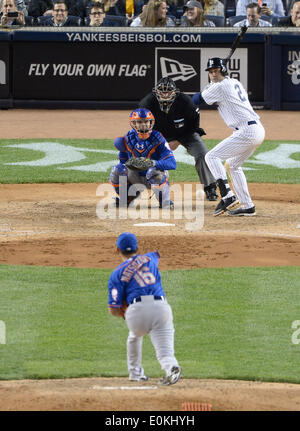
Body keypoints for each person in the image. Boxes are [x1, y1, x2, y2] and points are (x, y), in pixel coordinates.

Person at [192, 58, 265, 216]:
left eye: (216, 71)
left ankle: (227, 195)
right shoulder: (234, 82)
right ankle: (247, 206)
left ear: (223, 70)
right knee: (233, 165)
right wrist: (211, 86)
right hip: (255, 129)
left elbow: (196, 100)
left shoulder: (219, 87)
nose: (213, 74)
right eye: (211, 72)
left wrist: (208, 87)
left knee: (211, 156)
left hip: (246, 131)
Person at [107, 232, 182, 385]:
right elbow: (156, 255)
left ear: (117, 250)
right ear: (138, 248)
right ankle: (171, 367)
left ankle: (135, 373)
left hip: (136, 311)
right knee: (165, 352)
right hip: (161, 308)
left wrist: (125, 314)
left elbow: (113, 309)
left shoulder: (116, 274)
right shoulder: (150, 258)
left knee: (134, 336)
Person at [139, 77, 218, 201]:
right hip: (158, 136)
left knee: (203, 153)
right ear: (156, 92)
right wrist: (159, 143)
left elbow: (194, 125)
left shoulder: (185, 101)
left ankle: (210, 187)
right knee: (143, 154)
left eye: (168, 91)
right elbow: (142, 127)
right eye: (162, 91)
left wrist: (178, 140)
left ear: (175, 92)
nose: (165, 94)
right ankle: (152, 186)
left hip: (186, 133)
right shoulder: (146, 104)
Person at [109, 108, 176, 209]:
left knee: (153, 172)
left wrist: (152, 163)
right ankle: (127, 199)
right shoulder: (127, 139)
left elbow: (172, 164)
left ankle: (165, 201)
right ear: (133, 123)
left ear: (151, 122)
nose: (143, 125)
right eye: (140, 122)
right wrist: (130, 164)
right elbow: (122, 162)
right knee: (117, 170)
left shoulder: (158, 139)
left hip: (154, 176)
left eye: (146, 122)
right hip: (135, 177)